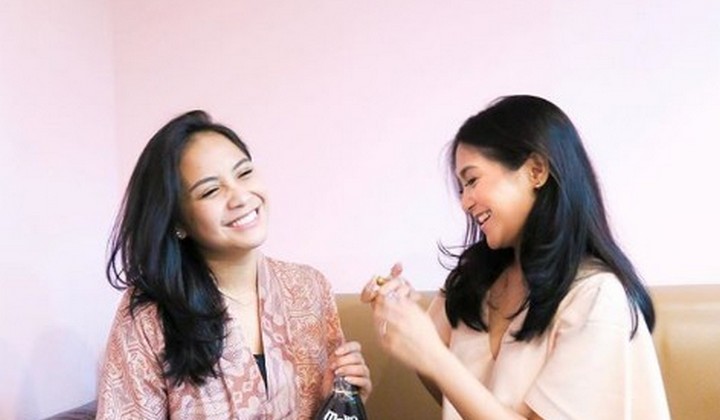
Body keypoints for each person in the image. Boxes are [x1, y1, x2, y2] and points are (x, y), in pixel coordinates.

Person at [362, 95, 670, 419]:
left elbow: (443, 369)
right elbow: (453, 397)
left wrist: (434, 356)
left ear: (536, 171)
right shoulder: (474, 282)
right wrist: (405, 322)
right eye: (461, 188)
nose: (465, 202)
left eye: (472, 180)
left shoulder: (597, 296)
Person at [97, 110, 371, 419]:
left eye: (244, 173)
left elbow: (337, 409)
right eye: (211, 190)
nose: (240, 196)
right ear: (178, 222)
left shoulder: (310, 288)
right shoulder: (149, 315)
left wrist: (341, 398)